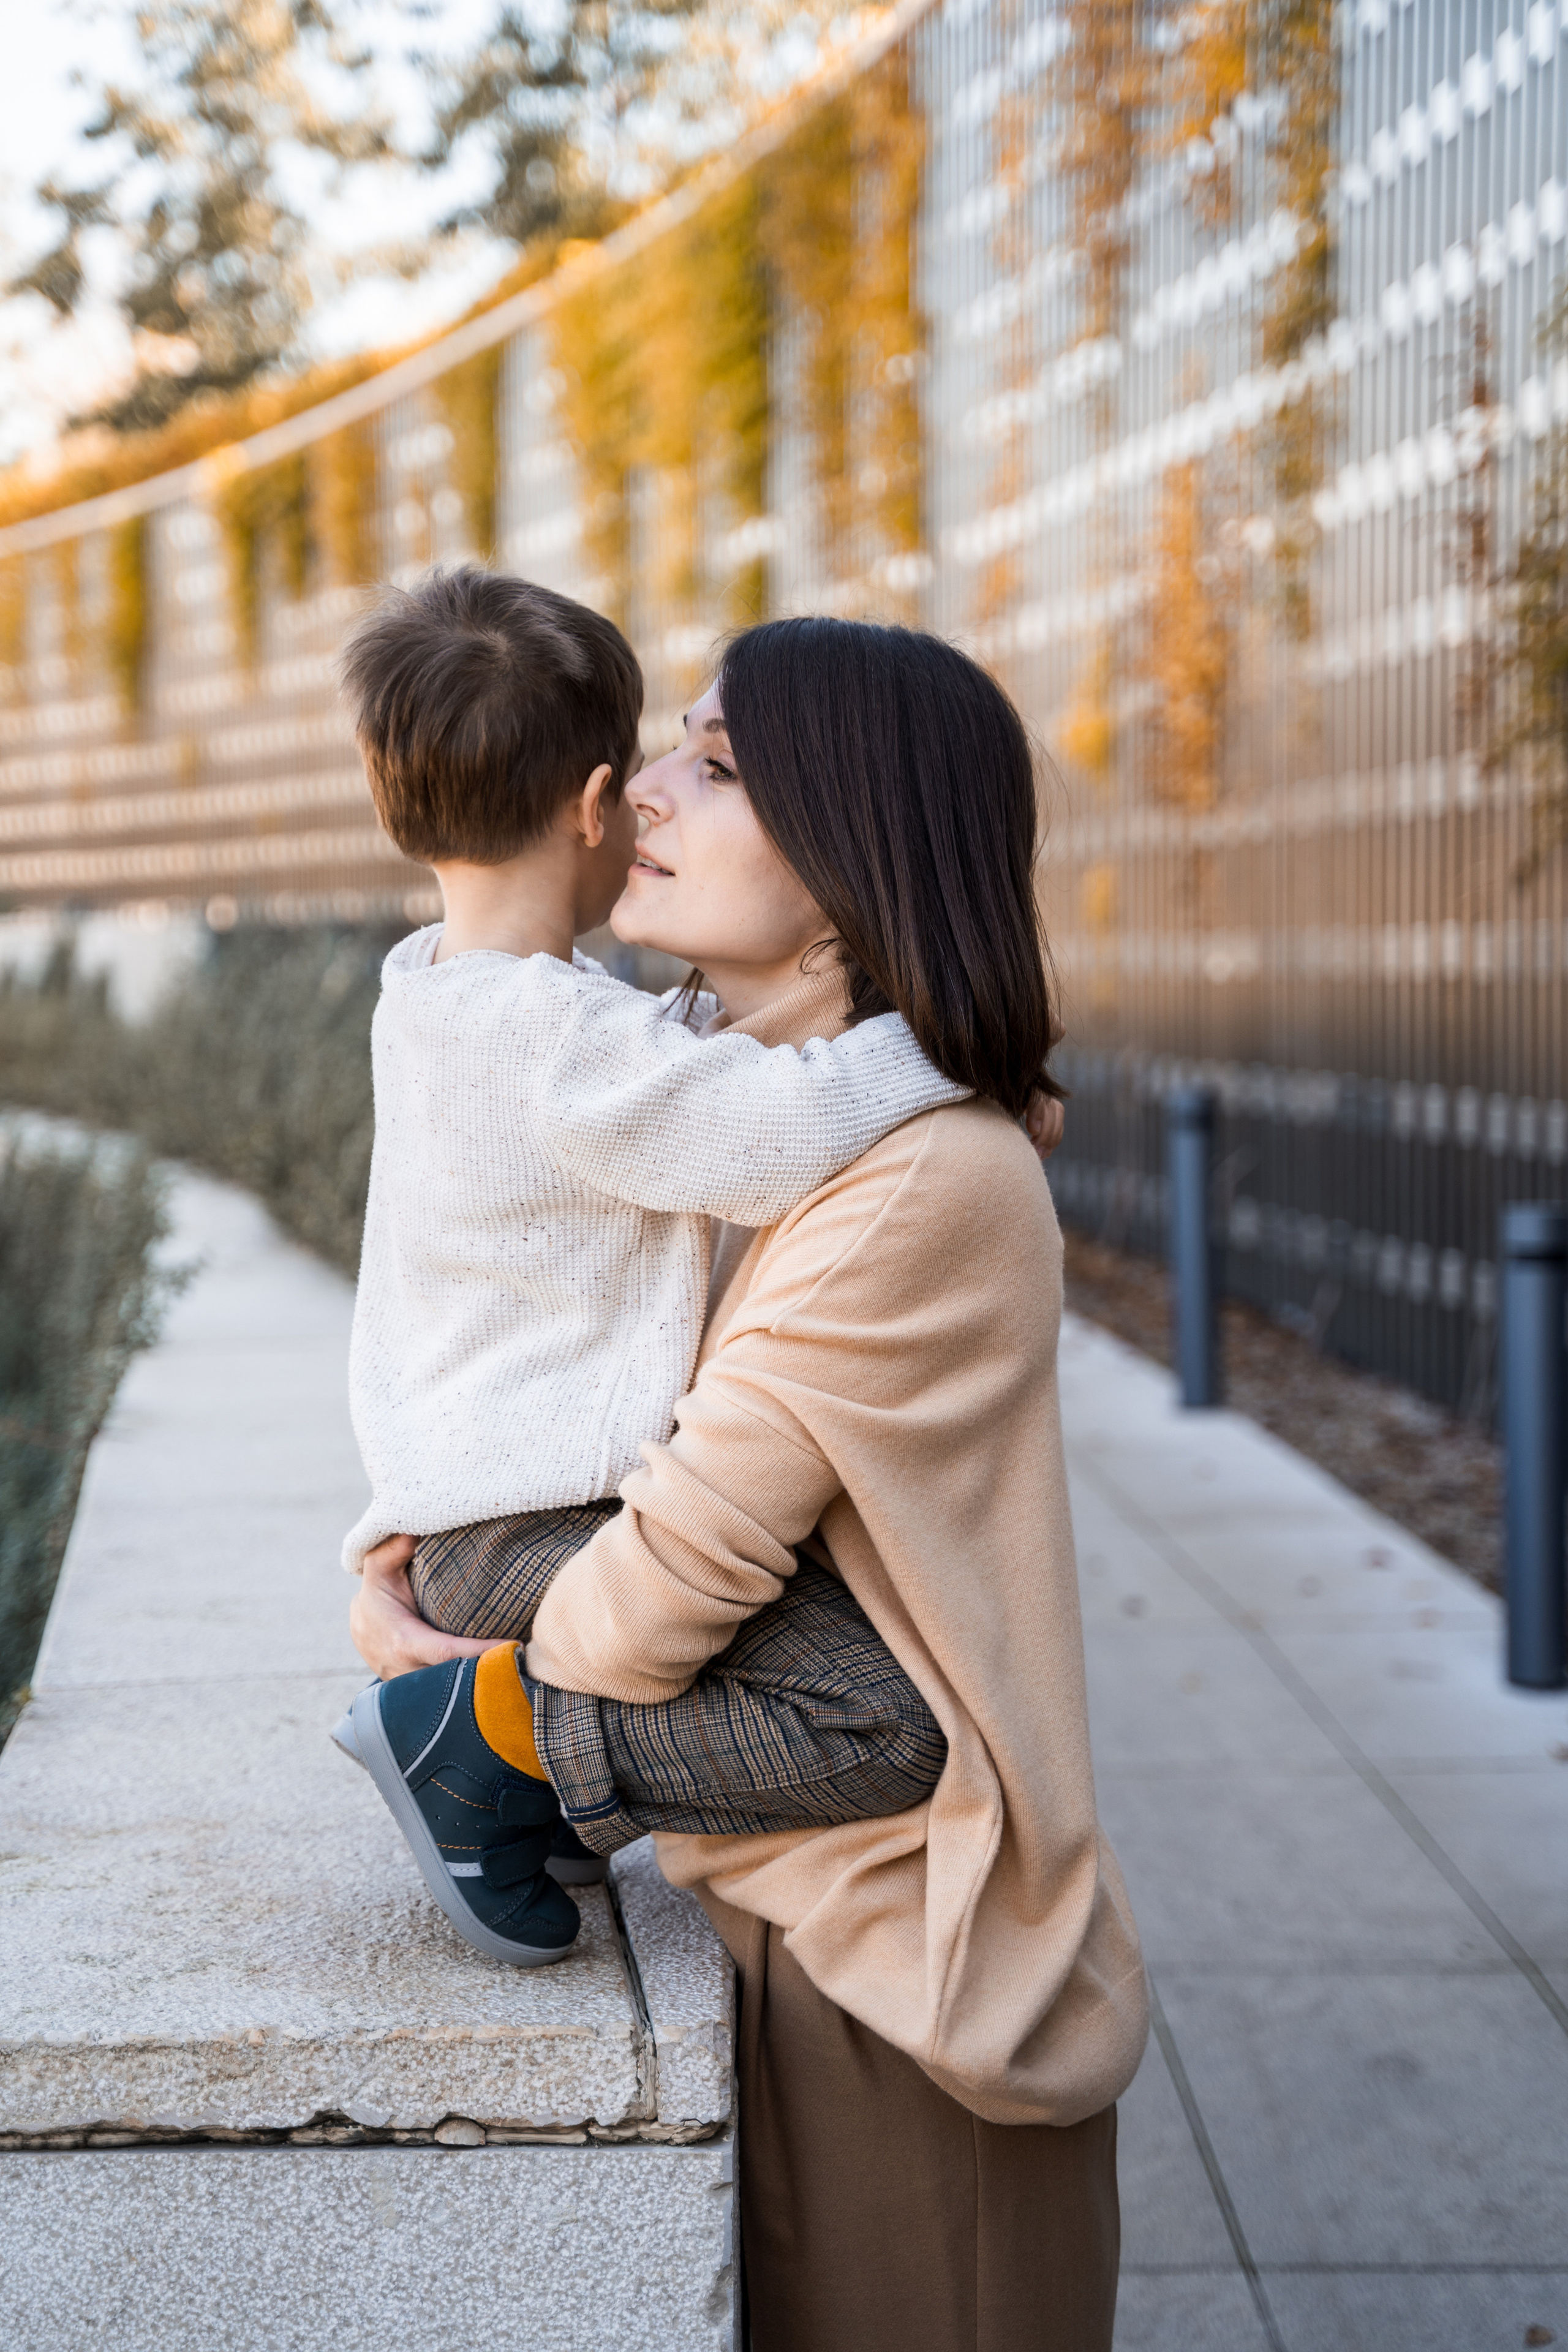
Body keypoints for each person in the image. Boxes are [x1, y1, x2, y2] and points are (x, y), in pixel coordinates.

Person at [355, 614, 1145, 2351]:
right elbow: (474, 1301)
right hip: (758, 1905)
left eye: (713, 762)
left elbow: (650, 1603)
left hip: (898, 1983)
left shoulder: (921, 1172)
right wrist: (407, 1538)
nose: (641, 786)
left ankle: (476, 1752)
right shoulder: (703, 1099)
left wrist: (470, 1668)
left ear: (854, 857)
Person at [333, 566, 972, 1969]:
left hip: (472, 1515)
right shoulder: (560, 1045)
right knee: (885, 1724)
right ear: (590, 806)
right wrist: (947, 1049)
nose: (662, 800)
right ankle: (490, 1748)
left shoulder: (440, 996)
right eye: (656, 769)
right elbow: (776, 1129)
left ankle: (538, 1776)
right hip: (537, 1522)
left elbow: (658, 1073)